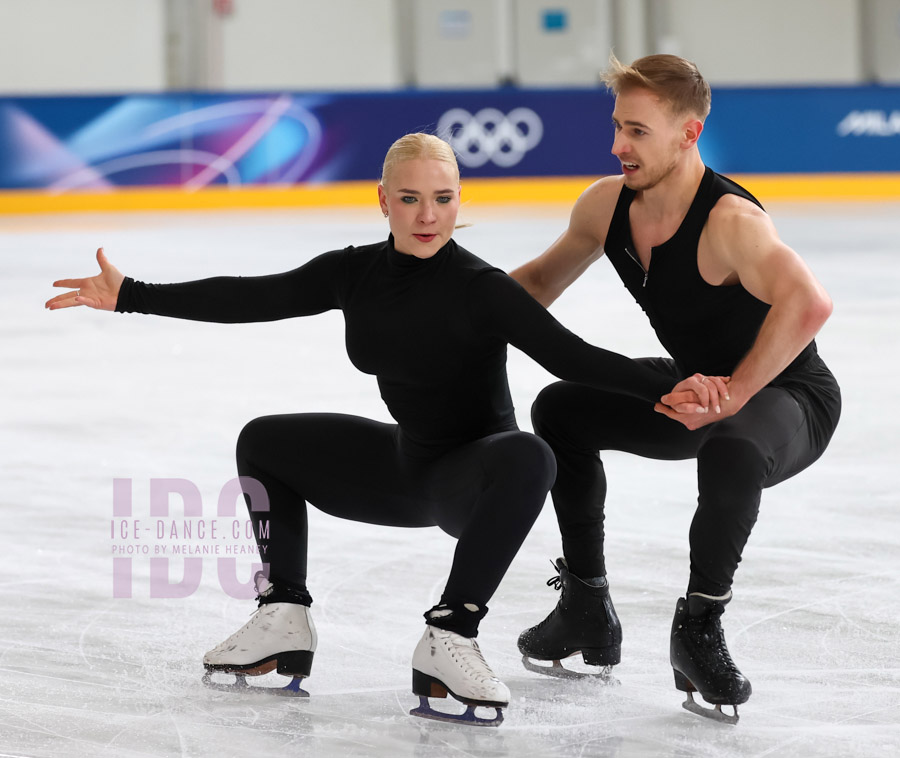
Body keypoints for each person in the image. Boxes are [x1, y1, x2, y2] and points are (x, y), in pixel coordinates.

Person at [46, 133, 704, 727]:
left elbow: (574, 358)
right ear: (382, 200)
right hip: (404, 468)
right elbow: (252, 298)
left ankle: (452, 633)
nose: (427, 215)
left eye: (442, 199)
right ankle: (283, 617)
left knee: (531, 455)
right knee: (265, 440)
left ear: (458, 201)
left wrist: (684, 385)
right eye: (411, 199)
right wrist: (131, 293)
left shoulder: (482, 288)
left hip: (474, 480)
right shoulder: (353, 272)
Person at [509, 55, 841, 723]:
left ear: (688, 135)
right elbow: (538, 285)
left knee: (732, 449)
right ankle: (585, 606)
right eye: (616, 127)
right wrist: (450, 307)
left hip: (788, 395)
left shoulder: (729, 222)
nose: (617, 146)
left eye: (637, 131)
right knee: (561, 409)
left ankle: (699, 627)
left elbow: (808, 303)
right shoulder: (606, 206)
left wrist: (739, 390)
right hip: (700, 388)